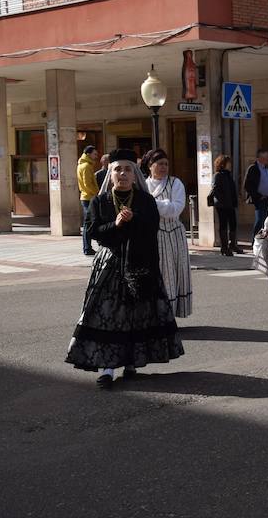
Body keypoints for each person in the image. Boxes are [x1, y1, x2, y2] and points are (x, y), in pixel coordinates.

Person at [65, 149, 184, 389]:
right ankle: (108, 367)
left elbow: (151, 230)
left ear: (134, 174)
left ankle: (131, 363)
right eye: (117, 169)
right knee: (108, 315)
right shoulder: (100, 201)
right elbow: (95, 231)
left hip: (140, 261)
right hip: (110, 263)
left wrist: (134, 220)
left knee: (137, 314)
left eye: (128, 169)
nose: (122, 174)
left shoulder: (145, 200)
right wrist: (116, 223)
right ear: (110, 174)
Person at [143, 149, 193, 318]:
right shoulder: (143, 185)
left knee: (171, 274)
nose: (164, 167)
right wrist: (160, 205)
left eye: (166, 164)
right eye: (160, 164)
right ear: (150, 166)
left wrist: (152, 204)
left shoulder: (175, 183)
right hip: (151, 235)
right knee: (154, 275)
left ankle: (169, 315)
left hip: (172, 234)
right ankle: (154, 315)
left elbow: (175, 209)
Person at [208, 155, 242, 256]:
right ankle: (224, 247)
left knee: (233, 223)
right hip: (222, 205)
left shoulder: (228, 175)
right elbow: (215, 189)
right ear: (223, 164)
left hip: (230, 204)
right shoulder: (217, 175)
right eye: (228, 163)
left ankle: (233, 244)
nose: (230, 165)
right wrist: (223, 200)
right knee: (223, 225)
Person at [243, 149, 268, 243]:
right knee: (260, 220)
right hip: (260, 199)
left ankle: (265, 241)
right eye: (265, 158)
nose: (267, 159)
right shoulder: (253, 168)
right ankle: (256, 242)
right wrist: (258, 196)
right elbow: (247, 185)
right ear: (259, 158)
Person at [77, 145, 99, 256]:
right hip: (88, 197)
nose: (96, 156)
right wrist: (96, 193)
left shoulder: (84, 165)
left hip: (87, 196)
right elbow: (87, 184)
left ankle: (88, 247)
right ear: (89, 154)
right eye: (95, 154)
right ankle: (87, 248)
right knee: (88, 223)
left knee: (88, 223)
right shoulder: (86, 166)